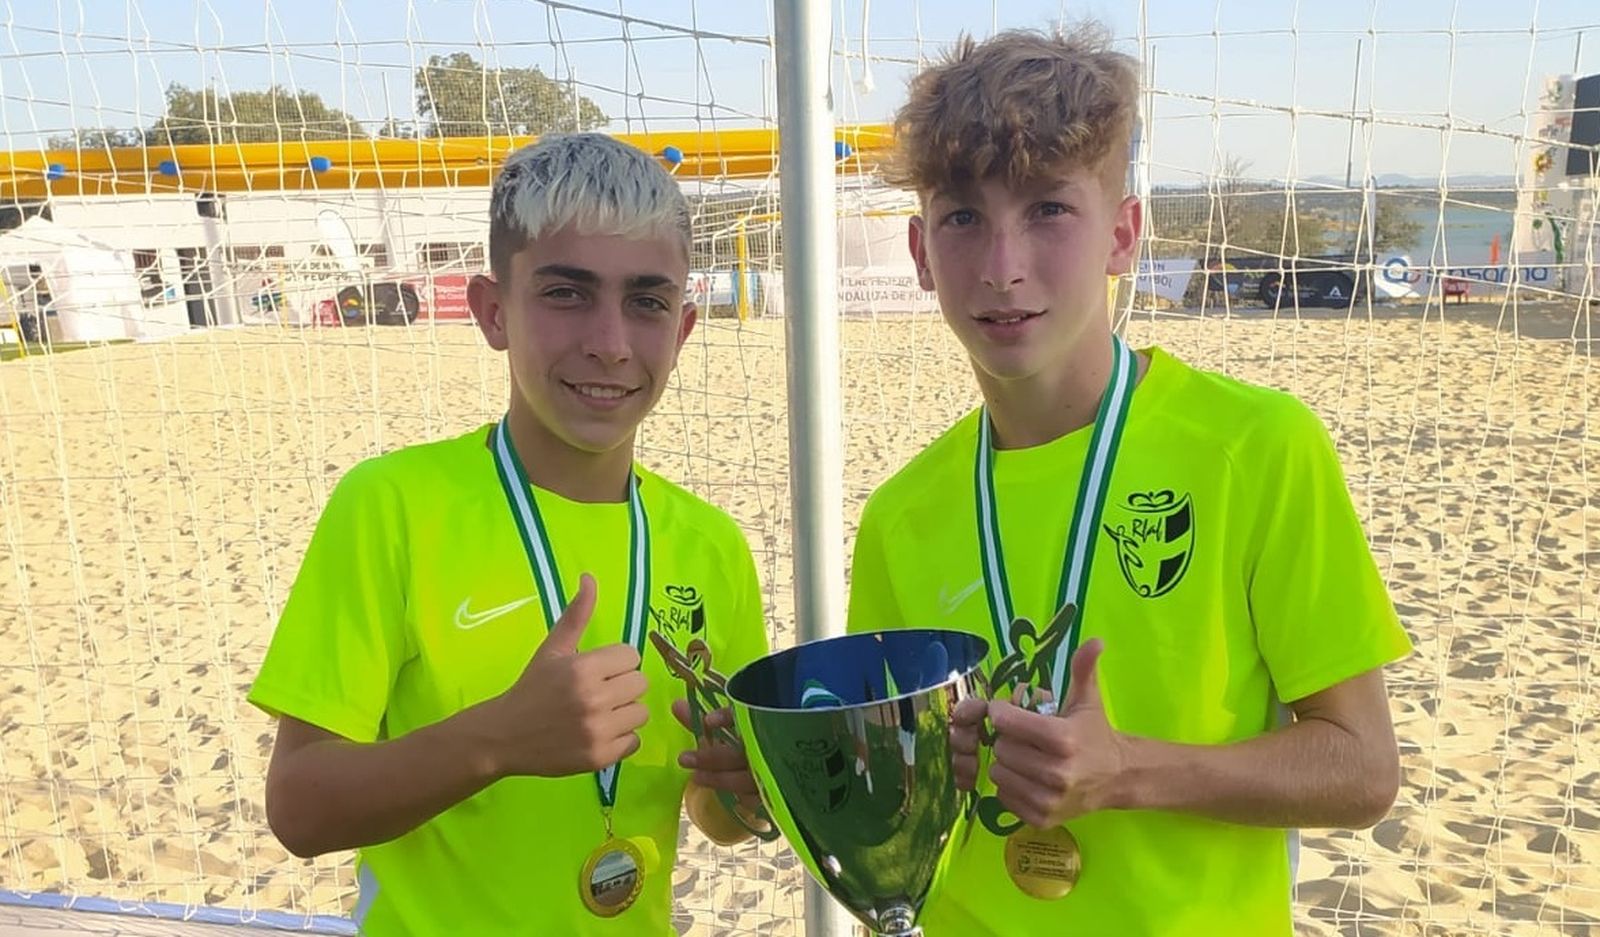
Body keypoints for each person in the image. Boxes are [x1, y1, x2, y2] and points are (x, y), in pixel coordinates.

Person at [845, 24, 1412, 935]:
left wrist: (1128, 771)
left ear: (1122, 233)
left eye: (1047, 211)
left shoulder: (1255, 446)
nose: (1003, 266)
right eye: (962, 218)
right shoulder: (900, 514)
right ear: (918, 252)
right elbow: (895, 805)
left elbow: (1362, 770)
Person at [248, 133, 767, 935]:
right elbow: (299, 808)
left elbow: (709, 806)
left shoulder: (713, 546)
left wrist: (746, 791)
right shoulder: (392, 504)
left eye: (647, 301)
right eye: (567, 293)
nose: (610, 341)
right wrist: (497, 739)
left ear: (685, 325)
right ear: (493, 310)